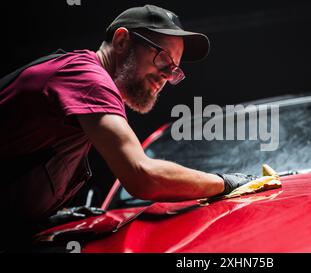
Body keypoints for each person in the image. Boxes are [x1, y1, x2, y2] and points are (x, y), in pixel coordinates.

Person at [0, 5, 257, 248]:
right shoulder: (86, 78)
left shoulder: (80, 82)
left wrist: (42, 217)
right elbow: (142, 175)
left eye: (174, 70)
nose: (167, 76)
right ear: (122, 41)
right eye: (163, 59)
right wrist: (225, 183)